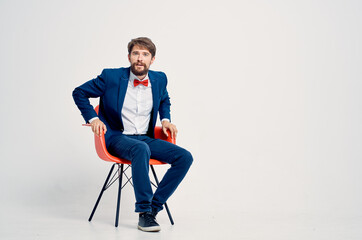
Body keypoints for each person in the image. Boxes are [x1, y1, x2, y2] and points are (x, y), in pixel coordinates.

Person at [72, 37, 193, 232]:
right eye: (136, 53)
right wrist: (93, 119)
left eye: (145, 54)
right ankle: (143, 213)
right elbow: (79, 92)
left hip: (145, 138)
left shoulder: (159, 78)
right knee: (140, 148)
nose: (140, 58)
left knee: (184, 157)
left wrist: (165, 120)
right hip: (117, 138)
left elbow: (164, 99)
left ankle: (153, 208)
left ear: (152, 60)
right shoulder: (111, 77)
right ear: (129, 56)